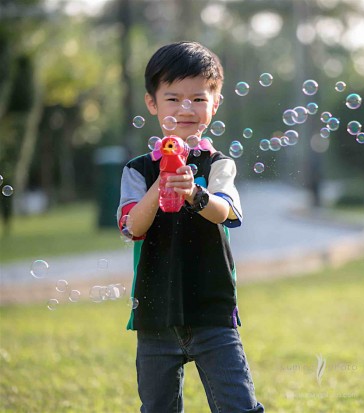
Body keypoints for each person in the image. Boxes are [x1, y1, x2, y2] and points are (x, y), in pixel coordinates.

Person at [117, 41, 264, 413]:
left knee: (238, 405)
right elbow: (132, 226)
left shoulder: (217, 165)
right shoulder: (137, 170)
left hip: (213, 311)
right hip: (155, 314)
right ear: (152, 103)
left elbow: (225, 212)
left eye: (198, 99)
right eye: (173, 99)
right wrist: (161, 183)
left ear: (215, 104)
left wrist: (194, 193)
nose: (186, 109)